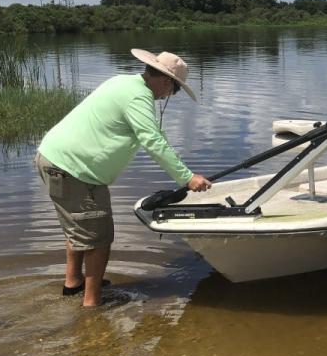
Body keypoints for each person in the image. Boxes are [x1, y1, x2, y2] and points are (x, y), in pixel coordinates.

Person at [35, 49, 212, 308]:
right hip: (75, 170)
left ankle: (73, 284)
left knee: (80, 229)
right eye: (174, 91)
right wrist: (187, 178)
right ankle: (92, 304)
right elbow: (152, 141)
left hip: (54, 159)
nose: (168, 97)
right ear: (165, 81)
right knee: (99, 238)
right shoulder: (138, 98)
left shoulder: (122, 82)